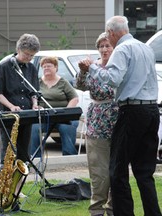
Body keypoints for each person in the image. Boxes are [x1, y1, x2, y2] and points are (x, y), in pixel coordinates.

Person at [79, 16, 161, 216]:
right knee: (144, 173)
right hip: (151, 110)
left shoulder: (123, 49)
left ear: (111, 32)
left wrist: (92, 68)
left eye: (108, 36)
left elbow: (112, 79)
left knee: (117, 171)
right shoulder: (146, 48)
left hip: (131, 111)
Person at [76, 32, 118, 216]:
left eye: (108, 45)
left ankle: (114, 208)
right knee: (98, 171)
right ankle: (96, 210)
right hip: (97, 123)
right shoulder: (92, 67)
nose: (104, 49)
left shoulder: (119, 67)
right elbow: (80, 85)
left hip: (119, 121)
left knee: (117, 170)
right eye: (101, 46)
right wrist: (84, 70)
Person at [0, 33, 40, 168]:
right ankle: (6, 187)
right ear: (18, 49)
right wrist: (11, 106)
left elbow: (34, 91)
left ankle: (19, 188)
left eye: (32, 55)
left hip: (26, 115)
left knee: (23, 155)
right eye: (27, 54)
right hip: (8, 115)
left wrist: (35, 104)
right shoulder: (5, 66)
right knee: (8, 153)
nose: (29, 58)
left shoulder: (32, 68)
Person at [30, 56, 79, 157]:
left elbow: (74, 98)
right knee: (34, 128)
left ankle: (69, 157)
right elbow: (33, 96)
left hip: (62, 117)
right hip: (44, 116)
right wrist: (35, 105)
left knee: (66, 127)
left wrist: (66, 112)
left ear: (56, 67)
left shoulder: (63, 82)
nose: (46, 68)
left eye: (49, 66)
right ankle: (35, 158)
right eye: (44, 67)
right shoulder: (37, 82)